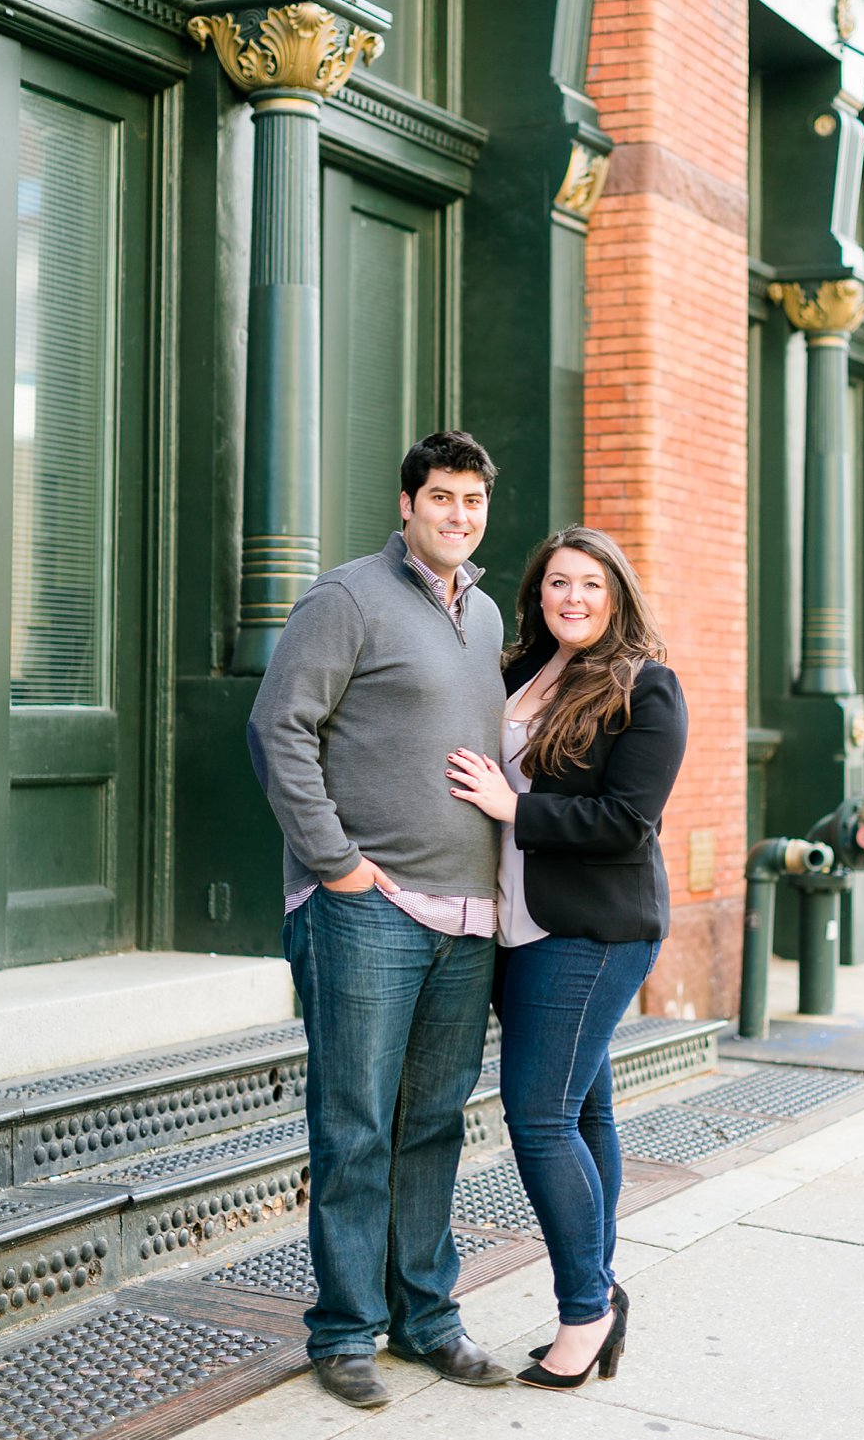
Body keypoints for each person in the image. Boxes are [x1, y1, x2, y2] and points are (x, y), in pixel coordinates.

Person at [247, 431, 515, 1408]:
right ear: (406, 505)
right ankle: (345, 1329)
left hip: (465, 918)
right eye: (441, 497)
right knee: (355, 1122)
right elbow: (280, 726)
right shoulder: (346, 596)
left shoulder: (483, 616)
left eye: (472, 501)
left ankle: (428, 1317)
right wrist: (338, 865)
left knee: (433, 1122)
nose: (457, 514)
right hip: (368, 911)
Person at [445, 524, 688, 1389]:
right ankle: (600, 1286)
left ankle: (586, 1308)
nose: (572, 598)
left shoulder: (647, 690)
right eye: (557, 583)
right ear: (537, 594)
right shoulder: (517, 669)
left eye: (590, 583)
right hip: (515, 923)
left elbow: (626, 821)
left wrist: (515, 807)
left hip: (590, 928)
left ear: (616, 593)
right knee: (583, 1113)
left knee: (538, 1114)